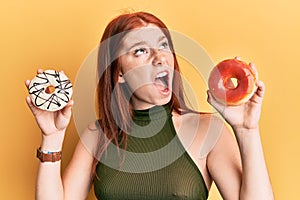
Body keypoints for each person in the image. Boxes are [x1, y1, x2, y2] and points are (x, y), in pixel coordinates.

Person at [25, 11, 274, 200]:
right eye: (141, 50)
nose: (159, 57)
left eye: (164, 45)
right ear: (119, 73)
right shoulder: (97, 135)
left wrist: (246, 130)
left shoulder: (208, 130)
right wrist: (52, 137)